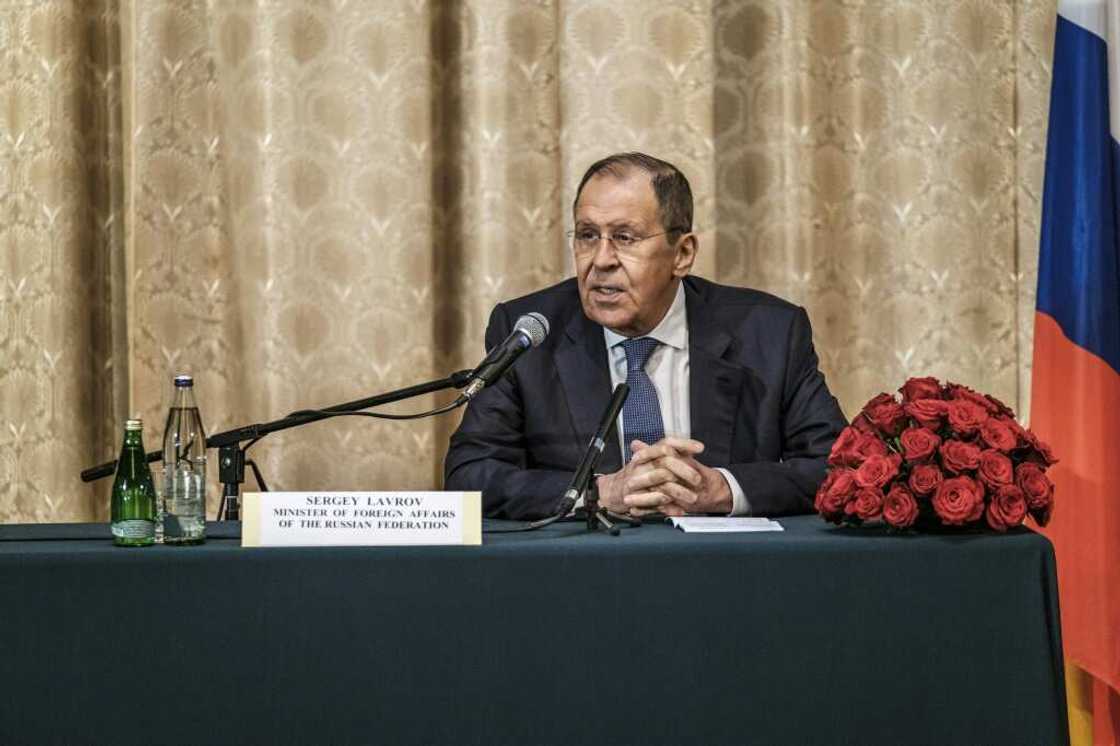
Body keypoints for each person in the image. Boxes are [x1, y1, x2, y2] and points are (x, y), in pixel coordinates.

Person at [444, 152, 847, 520]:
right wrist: (598, 492)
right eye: (587, 235)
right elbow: (472, 475)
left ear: (683, 253)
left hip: (727, 574)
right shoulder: (529, 332)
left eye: (625, 237)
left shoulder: (770, 332)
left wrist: (724, 489)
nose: (601, 260)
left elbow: (836, 466)